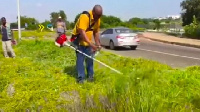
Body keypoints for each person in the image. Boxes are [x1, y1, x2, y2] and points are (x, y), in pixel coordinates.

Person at [71, 5, 103, 83]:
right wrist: (92, 45)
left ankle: (90, 77)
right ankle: (81, 78)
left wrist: (98, 44)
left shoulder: (97, 19)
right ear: (93, 12)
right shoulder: (84, 17)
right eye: (97, 16)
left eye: (100, 16)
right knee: (80, 59)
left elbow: (95, 32)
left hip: (87, 41)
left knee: (90, 59)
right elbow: (82, 32)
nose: (98, 18)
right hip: (78, 40)